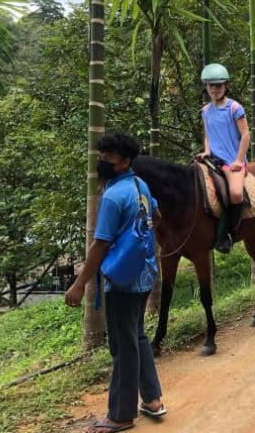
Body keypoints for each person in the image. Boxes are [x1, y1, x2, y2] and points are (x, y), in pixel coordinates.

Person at [65, 131, 166, 433]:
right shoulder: (140, 185)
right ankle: (152, 400)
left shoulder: (112, 196)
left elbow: (99, 245)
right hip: (145, 272)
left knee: (123, 346)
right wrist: (136, 242)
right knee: (137, 335)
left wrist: (79, 283)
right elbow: (156, 218)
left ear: (124, 162)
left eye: (108, 157)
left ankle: (121, 415)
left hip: (122, 280)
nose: (102, 161)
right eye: (101, 155)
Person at [197, 63, 250, 254]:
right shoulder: (205, 111)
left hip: (231, 161)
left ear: (226, 85)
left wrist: (238, 160)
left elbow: (245, 135)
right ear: (206, 87)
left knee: (236, 194)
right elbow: (208, 134)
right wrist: (206, 151)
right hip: (213, 160)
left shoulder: (234, 108)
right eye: (211, 86)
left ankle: (229, 233)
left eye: (218, 85)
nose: (215, 89)